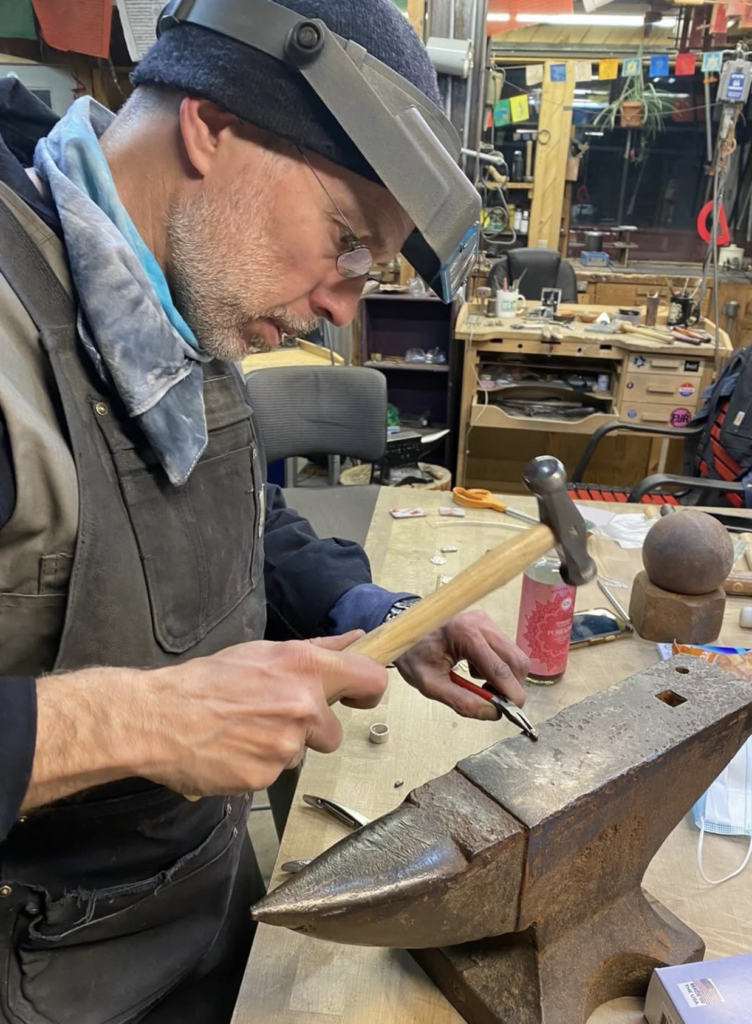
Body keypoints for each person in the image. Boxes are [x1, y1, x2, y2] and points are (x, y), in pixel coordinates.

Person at [0, 1, 529, 1021]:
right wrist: (133, 721)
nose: (341, 307)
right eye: (345, 240)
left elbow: (219, 512)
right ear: (211, 127)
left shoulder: (177, 290)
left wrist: (370, 611)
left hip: (206, 920)